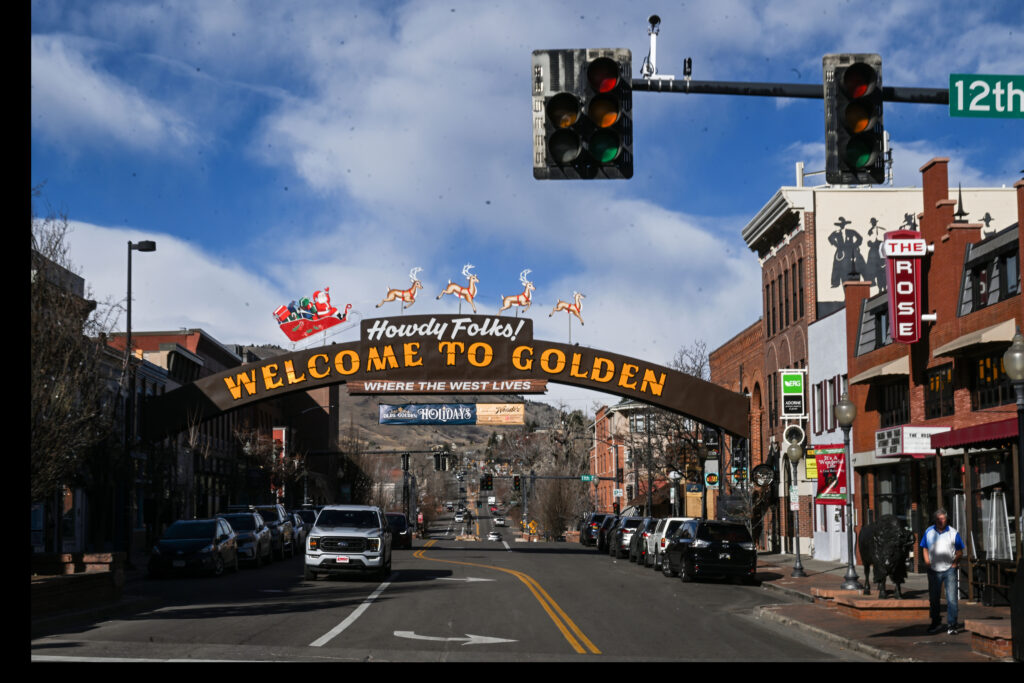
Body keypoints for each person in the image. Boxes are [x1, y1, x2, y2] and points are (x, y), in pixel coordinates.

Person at [920, 508, 965, 634]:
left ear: (946, 520)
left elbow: (960, 551)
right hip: (933, 570)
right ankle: (935, 623)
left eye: (943, 518)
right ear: (935, 519)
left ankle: (952, 625)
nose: (940, 521)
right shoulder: (928, 532)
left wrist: (955, 563)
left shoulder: (953, 532)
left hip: (949, 569)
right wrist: (927, 562)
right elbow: (924, 547)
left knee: (951, 599)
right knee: (934, 599)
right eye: (938, 519)